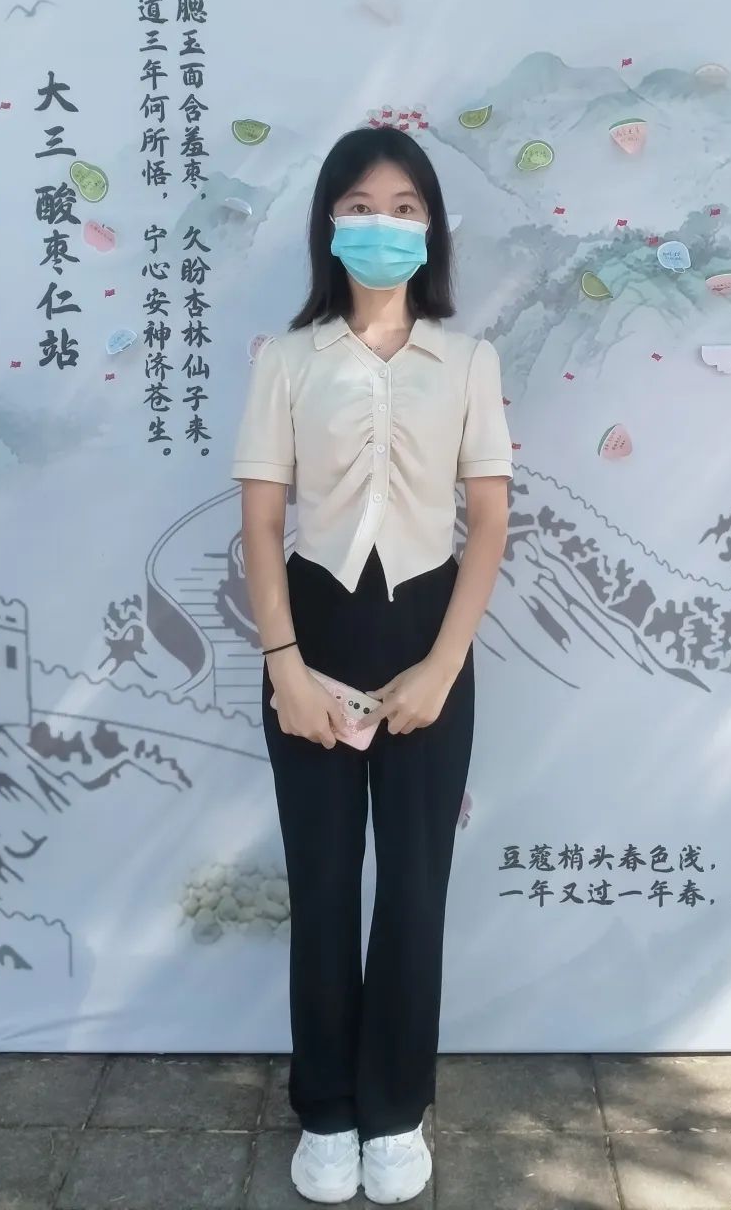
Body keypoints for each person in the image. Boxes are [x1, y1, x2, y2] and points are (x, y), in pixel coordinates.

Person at [232, 126, 513, 1204]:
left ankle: (394, 1108)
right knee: (322, 882)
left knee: (413, 885)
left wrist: (443, 666)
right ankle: (327, 1106)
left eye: (404, 207)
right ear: (328, 224)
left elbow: (488, 524)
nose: (382, 225)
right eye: (361, 205)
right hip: (313, 628)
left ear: (430, 227)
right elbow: (263, 526)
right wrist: (286, 668)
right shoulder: (289, 361)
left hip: (429, 630)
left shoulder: (468, 362)